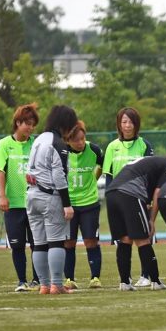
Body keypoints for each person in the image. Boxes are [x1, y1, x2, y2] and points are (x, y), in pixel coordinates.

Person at [106, 155, 166, 290]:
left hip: (111, 193)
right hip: (130, 193)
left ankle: (124, 283)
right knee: (143, 239)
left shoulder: (151, 163)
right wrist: (151, 220)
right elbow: (158, 193)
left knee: (125, 239)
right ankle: (155, 281)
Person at [24, 105, 78, 295]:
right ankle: (56, 284)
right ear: (66, 124)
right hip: (49, 196)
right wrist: (67, 204)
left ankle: (44, 285)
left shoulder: (38, 139)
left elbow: (29, 169)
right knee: (56, 242)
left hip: (31, 195)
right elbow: (59, 176)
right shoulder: (58, 144)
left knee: (39, 243)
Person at [102, 107, 155, 286]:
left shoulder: (145, 145)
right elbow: (109, 175)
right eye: (124, 122)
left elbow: (150, 175)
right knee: (124, 239)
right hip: (118, 199)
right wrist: (110, 197)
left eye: (131, 122)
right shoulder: (112, 147)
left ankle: (145, 276)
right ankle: (125, 280)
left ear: (136, 124)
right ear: (119, 124)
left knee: (142, 237)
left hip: (139, 198)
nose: (127, 125)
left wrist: (148, 199)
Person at [0, 103, 39, 292]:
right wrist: (2, 196)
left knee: (38, 244)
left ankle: (38, 279)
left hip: (35, 202)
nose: (30, 127)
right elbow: (0, 171)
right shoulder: (4, 144)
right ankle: (22, 281)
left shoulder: (36, 144)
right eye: (27, 123)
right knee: (17, 245)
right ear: (17, 123)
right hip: (14, 204)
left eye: (33, 124)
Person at [63, 122, 104, 289]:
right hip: (69, 205)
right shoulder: (62, 153)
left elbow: (102, 165)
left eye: (82, 138)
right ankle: (69, 279)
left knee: (91, 241)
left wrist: (93, 179)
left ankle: (95, 277)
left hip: (90, 203)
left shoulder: (94, 150)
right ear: (67, 140)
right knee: (68, 243)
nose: (80, 143)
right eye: (75, 140)